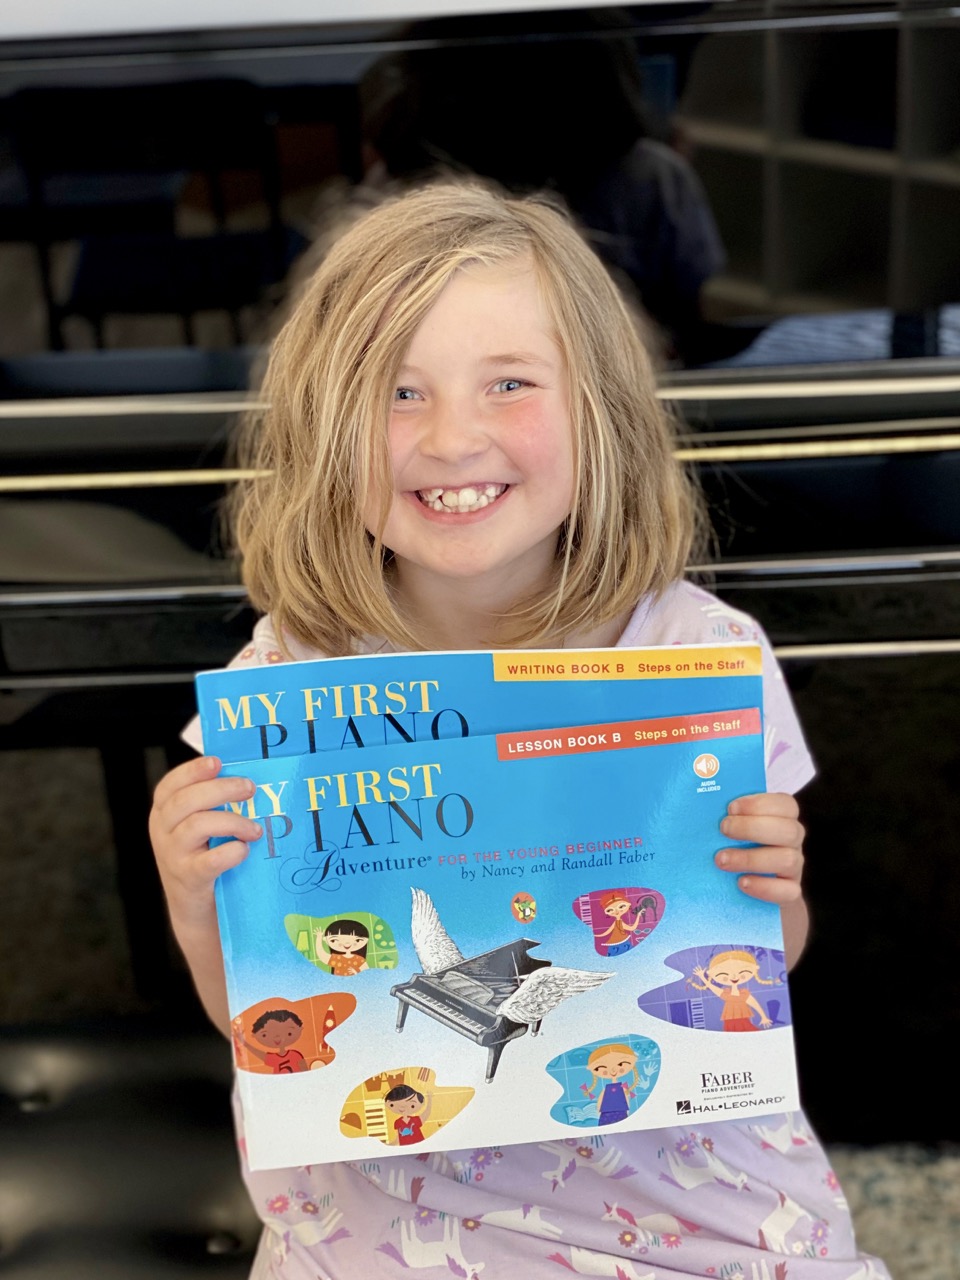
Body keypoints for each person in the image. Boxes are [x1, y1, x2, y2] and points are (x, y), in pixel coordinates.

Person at [149, 181, 890, 1279]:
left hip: (686, 1204)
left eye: (509, 383)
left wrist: (774, 893)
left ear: (599, 409)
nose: (453, 438)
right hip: (385, 1223)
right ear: (321, 426)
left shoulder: (696, 651)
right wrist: (192, 892)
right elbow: (264, 1023)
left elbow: (756, 971)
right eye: (397, 392)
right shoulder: (286, 677)